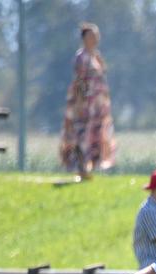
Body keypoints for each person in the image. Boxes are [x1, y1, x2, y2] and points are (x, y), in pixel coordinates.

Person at [59, 22, 116, 180]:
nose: (95, 39)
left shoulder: (95, 56)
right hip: (84, 104)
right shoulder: (81, 56)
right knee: (81, 135)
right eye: (91, 36)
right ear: (84, 38)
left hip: (97, 106)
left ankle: (88, 168)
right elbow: (79, 81)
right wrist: (79, 102)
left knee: (94, 135)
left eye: (96, 35)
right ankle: (81, 167)